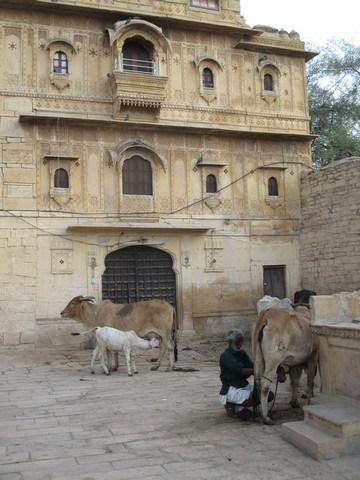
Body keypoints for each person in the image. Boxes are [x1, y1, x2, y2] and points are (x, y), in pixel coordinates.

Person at [219, 328, 256, 420]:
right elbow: (241, 371)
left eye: (241, 339)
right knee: (255, 397)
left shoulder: (242, 353)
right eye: (239, 339)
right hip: (230, 388)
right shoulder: (226, 355)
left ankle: (238, 407)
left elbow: (252, 366)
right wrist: (257, 371)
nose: (241, 341)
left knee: (268, 395)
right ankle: (231, 404)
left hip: (242, 384)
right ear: (232, 341)